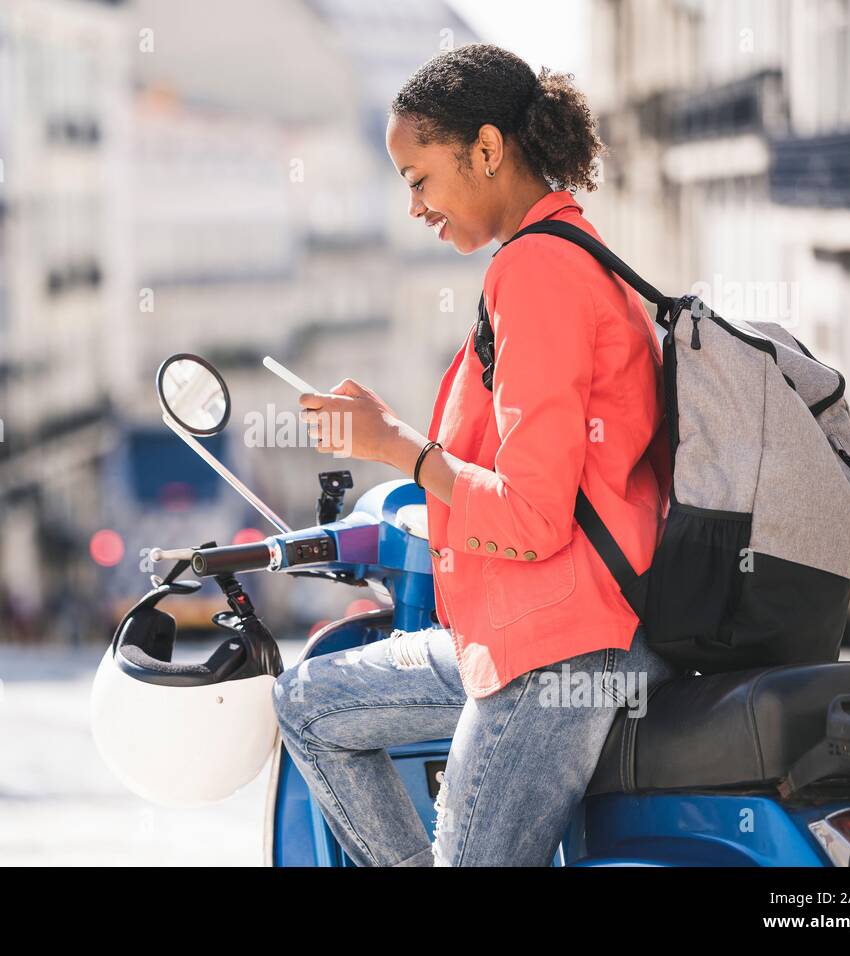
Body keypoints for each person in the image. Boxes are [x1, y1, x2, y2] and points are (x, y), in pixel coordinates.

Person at [271, 43, 676, 866]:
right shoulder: (563, 253)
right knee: (308, 701)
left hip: (556, 650)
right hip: (535, 632)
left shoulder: (538, 273)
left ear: (487, 150)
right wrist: (398, 440)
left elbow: (530, 517)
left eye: (419, 179)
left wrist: (394, 447)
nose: (414, 206)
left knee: (313, 711)